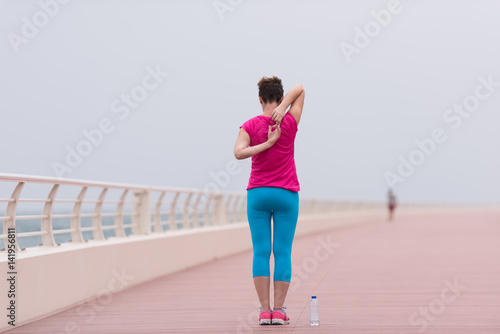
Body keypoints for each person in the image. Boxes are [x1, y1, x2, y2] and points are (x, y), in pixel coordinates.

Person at [234, 76, 305, 325]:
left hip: (258, 194)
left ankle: (265, 311)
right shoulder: (289, 120)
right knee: (282, 252)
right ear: (280, 96)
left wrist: (264, 144)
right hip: (286, 193)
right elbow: (301, 89)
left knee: (261, 253)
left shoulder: (250, 125)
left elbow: (238, 152)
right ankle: (279, 310)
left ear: (259, 98)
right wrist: (283, 109)